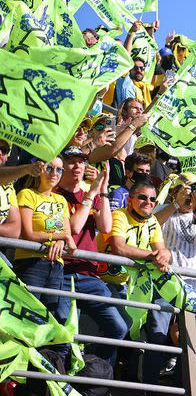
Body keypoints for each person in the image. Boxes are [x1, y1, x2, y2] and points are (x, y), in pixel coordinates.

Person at [57, 146, 127, 366]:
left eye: (81, 161)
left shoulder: (92, 192)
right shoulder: (54, 193)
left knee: (118, 328)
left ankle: (88, 365)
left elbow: (106, 226)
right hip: (61, 272)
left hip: (89, 274)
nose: (77, 166)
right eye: (71, 161)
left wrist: (103, 190)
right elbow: (75, 228)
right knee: (63, 334)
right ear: (62, 165)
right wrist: (91, 193)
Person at [100, 180, 172, 384]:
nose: (148, 202)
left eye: (152, 199)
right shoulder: (119, 215)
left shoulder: (152, 221)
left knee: (156, 332)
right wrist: (154, 255)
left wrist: (165, 254)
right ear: (130, 200)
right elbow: (119, 248)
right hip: (108, 282)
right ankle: (103, 381)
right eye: (142, 197)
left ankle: (148, 386)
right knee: (116, 330)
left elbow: (162, 250)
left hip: (135, 286)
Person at [15, 156, 77, 325]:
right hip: (31, 263)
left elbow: (66, 232)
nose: (54, 173)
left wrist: (61, 241)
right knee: (29, 319)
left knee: (53, 321)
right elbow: (28, 234)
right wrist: (61, 237)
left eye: (59, 169)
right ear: (40, 169)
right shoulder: (26, 194)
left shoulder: (61, 200)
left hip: (56, 265)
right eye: (49, 168)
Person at [154, 173, 196, 292]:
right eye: (189, 190)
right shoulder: (162, 210)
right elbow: (151, 226)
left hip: (194, 285)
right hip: (164, 282)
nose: (192, 195)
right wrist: (177, 203)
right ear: (175, 193)